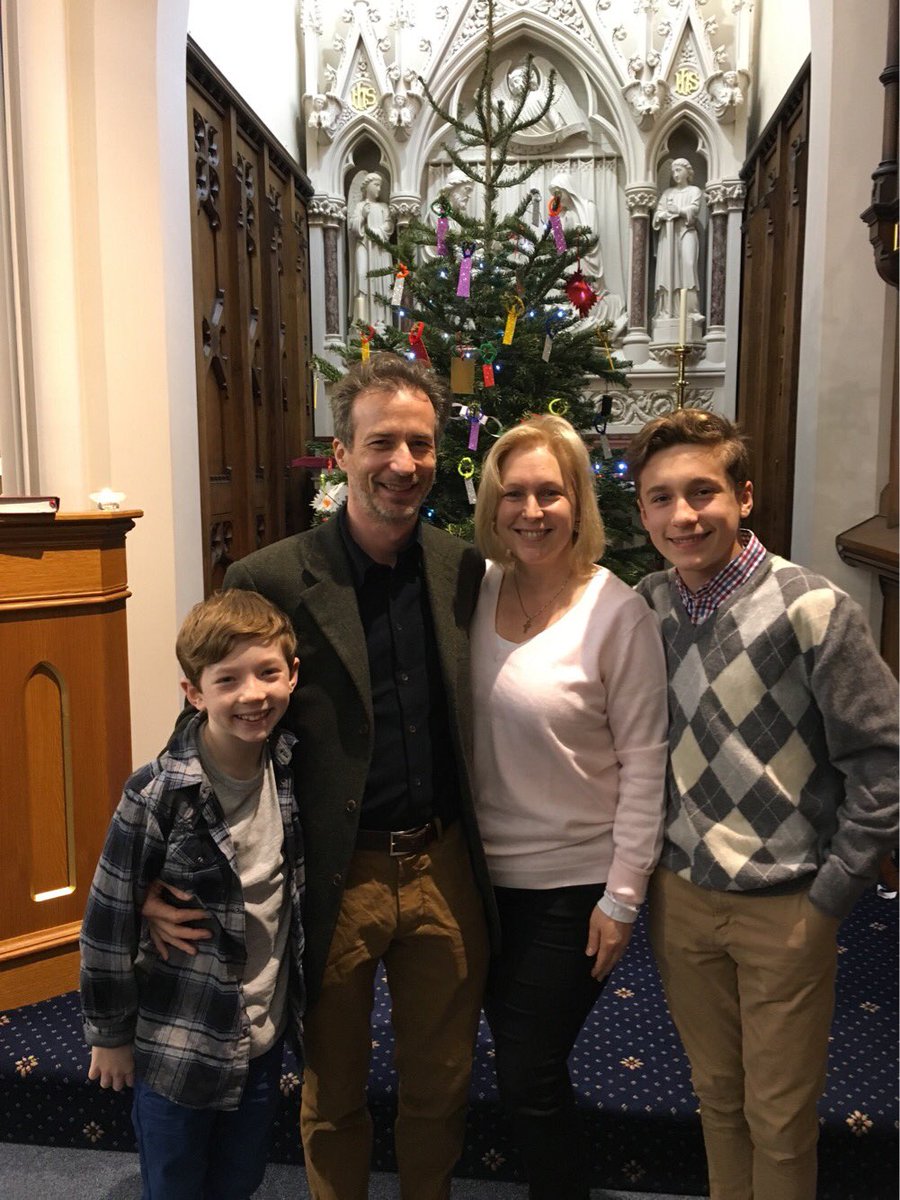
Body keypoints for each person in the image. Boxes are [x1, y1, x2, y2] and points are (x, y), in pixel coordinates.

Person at [143, 353, 498, 1200]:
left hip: (445, 863)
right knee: (332, 1085)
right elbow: (206, 726)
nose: (403, 463)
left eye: (420, 444)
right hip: (334, 871)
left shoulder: (465, 570)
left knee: (441, 1080)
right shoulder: (270, 577)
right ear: (340, 453)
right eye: (381, 443)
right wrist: (153, 870)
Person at [627, 409, 899, 1200]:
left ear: (743, 496)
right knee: (717, 1099)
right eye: (661, 498)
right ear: (641, 512)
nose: (684, 516)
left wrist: (833, 893)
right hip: (681, 900)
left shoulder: (814, 609)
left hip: (786, 905)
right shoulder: (645, 607)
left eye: (703, 492)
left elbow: (883, 760)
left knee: (779, 1119)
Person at [470, 415, 669, 1199]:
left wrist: (623, 897)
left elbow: (646, 762)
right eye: (513, 493)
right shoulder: (474, 589)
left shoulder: (616, 613)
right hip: (474, 881)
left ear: (579, 500)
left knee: (530, 1068)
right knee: (512, 1059)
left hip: (572, 887)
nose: (531, 511)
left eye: (549, 493)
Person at [80, 589, 304, 1200]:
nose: (253, 694)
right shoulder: (156, 795)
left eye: (268, 673)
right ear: (194, 693)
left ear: (292, 675)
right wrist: (110, 1034)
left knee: (240, 1178)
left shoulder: (290, 767)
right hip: (179, 1043)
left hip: (260, 1036)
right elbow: (106, 919)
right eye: (227, 680)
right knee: (175, 1183)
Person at [652, 157, 703, 319]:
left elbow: (694, 210)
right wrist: (664, 215)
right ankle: (668, 310)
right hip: (668, 236)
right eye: (673, 171)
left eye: (679, 170)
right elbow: (657, 214)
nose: (675, 174)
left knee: (689, 265)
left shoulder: (694, 191)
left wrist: (678, 211)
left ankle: (690, 310)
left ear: (688, 172)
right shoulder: (668, 193)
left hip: (687, 232)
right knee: (668, 270)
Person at [348, 172, 394, 326]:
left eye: (380, 185)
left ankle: (381, 320)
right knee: (362, 275)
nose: (379, 189)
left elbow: (389, 226)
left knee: (381, 283)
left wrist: (375, 232)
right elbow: (353, 228)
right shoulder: (360, 206)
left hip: (380, 250)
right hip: (364, 246)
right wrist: (362, 216)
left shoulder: (383, 207)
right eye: (376, 185)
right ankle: (362, 321)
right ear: (367, 186)